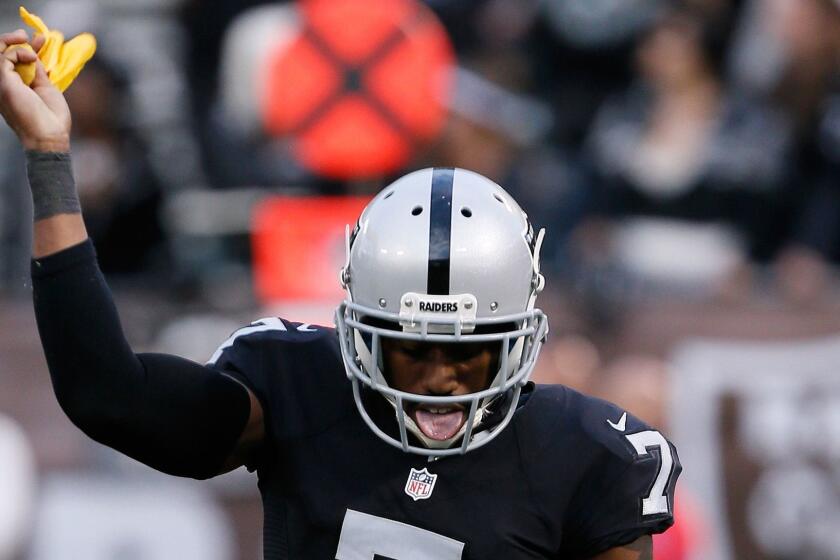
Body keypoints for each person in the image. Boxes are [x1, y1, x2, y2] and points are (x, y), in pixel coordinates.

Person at [0, 27, 681, 559]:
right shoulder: (297, 388)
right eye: (410, 351)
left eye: (467, 354)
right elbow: (109, 396)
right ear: (358, 329)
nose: (439, 380)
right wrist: (50, 157)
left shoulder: (587, 457)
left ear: (517, 340)